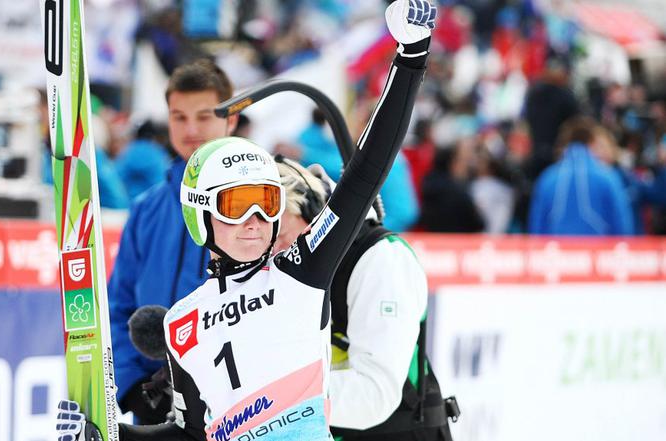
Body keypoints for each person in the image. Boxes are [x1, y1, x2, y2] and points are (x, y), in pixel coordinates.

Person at [58, 1, 436, 439]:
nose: (257, 220)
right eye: (238, 205)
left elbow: (367, 172)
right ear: (202, 215)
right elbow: (187, 434)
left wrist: (411, 58)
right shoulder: (183, 321)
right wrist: (107, 435)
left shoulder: (301, 271)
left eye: (267, 203)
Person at [273, 157, 456, 441]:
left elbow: (374, 393)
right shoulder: (281, 270)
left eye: (281, 237)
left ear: (315, 217)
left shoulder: (380, 261)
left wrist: (270, 399)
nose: (274, 255)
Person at [109, 58, 239, 425]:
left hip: (230, 406)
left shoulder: (257, 203)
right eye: (179, 116)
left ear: (231, 119)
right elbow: (119, 306)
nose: (191, 128)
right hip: (153, 403)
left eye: (204, 115)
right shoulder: (146, 208)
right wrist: (133, 387)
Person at [528, 116, 634, 236]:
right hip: (598, 251)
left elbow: (536, 228)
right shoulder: (608, 176)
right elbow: (623, 227)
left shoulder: (547, 178)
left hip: (556, 251)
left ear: (564, 144)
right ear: (592, 142)